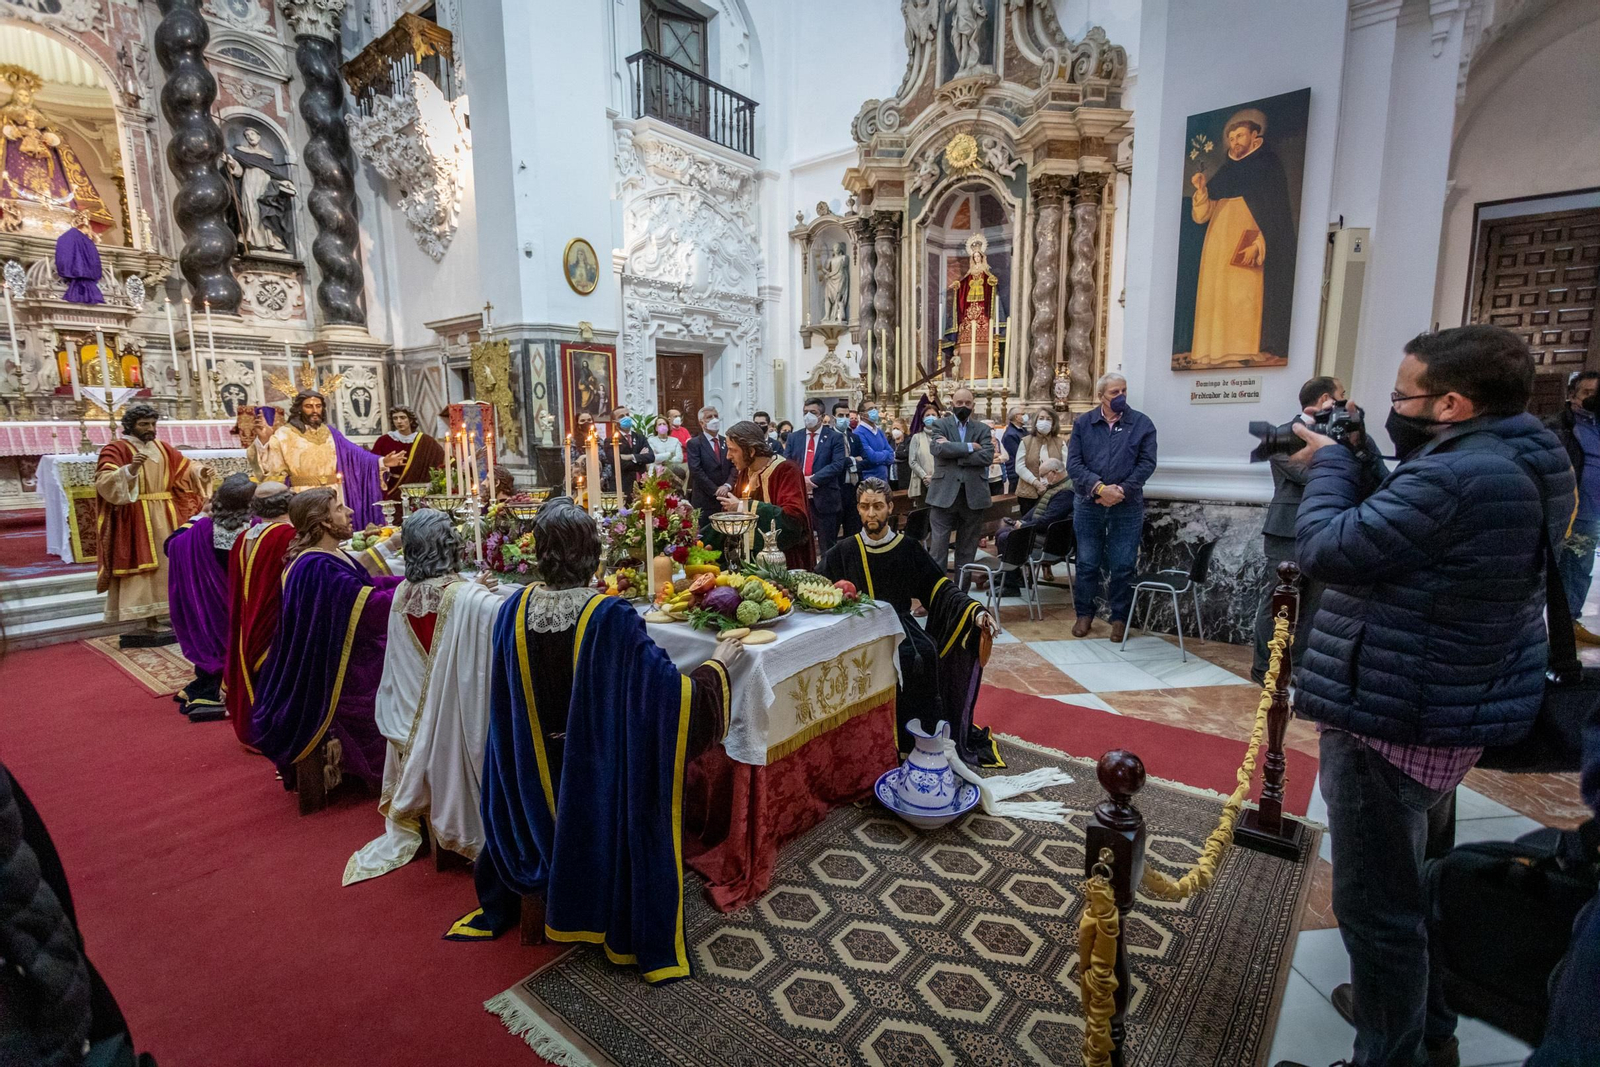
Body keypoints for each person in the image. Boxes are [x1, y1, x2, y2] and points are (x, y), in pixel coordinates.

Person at [1285, 325, 1574, 1067]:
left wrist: (1327, 468)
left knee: (1378, 909)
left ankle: (1390, 1052)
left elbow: (1327, 547)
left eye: (1400, 395)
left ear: (1450, 402)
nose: (1391, 405)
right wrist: (1368, 461)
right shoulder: (1520, 452)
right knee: (1416, 875)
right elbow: (1415, 533)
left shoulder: (1459, 476)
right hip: (1440, 695)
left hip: (1395, 710)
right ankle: (1422, 1021)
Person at [444, 500, 741, 984]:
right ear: (592, 554)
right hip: (593, 783)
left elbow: (503, 704)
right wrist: (716, 669)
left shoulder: (511, 608)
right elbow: (666, 699)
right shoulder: (609, 616)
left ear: (539, 553)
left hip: (526, 785)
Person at [345, 510, 502, 885]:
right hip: (450, 722)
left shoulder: (403, 591)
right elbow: (498, 629)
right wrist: (478, 591)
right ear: (447, 546)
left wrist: (472, 590)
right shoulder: (466, 597)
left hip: (407, 715)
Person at [819, 477, 1002, 758]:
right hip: (858, 629)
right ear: (857, 508)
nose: (871, 513)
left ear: (890, 508)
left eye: (878, 506)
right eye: (865, 506)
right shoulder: (845, 550)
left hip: (900, 624)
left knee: (922, 655)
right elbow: (814, 582)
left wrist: (975, 612)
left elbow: (939, 588)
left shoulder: (908, 548)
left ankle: (913, 744)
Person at [250, 489, 403, 790]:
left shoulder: (329, 554)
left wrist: (413, 582)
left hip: (340, 655)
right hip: (332, 674)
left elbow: (367, 585)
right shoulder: (315, 566)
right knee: (416, 672)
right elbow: (368, 609)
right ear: (321, 522)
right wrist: (418, 593)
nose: (350, 513)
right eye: (339, 508)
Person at [1250, 376, 1386, 685]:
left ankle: (1297, 666)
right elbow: (1305, 473)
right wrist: (1337, 456)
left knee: (1313, 605)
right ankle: (1263, 666)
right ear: (1326, 398)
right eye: (1341, 395)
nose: (1343, 401)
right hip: (1287, 532)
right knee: (1280, 601)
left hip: (1327, 530)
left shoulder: (1345, 436)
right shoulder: (1284, 434)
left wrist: (1353, 444)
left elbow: (1371, 474)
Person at [1177, 107, 1298, 367]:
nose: (1235, 142)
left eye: (1240, 136)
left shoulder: (1268, 167)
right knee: (1216, 296)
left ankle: (1242, 350)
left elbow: (1275, 218)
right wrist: (1200, 191)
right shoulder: (1226, 171)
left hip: (1246, 246)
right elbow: (1202, 216)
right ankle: (1213, 351)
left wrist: (1260, 243)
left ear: (1256, 137)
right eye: (1231, 138)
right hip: (1217, 248)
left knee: (1243, 298)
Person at [94, 404, 209, 628]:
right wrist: (129, 470)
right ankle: (147, 616)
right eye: (144, 424)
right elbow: (104, 481)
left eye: (153, 424)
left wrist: (200, 471)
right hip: (136, 515)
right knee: (145, 568)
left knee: (169, 563)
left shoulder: (162, 447)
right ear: (130, 425)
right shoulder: (116, 448)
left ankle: (168, 611)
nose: (150, 428)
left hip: (166, 513)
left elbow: (184, 468)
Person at [1067, 373, 1157, 640]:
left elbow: (1146, 463)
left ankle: (1120, 619)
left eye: (1124, 391)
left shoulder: (1141, 423)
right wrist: (1099, 488)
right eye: (1114, 392)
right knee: (1087, 563)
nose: (1121, 397)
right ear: (1100, 396)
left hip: (1126, 506)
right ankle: (1084, 615)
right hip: (1088, 504)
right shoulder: (1084, 423)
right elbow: (1074, 464)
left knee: (1123, 564)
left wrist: (1121, 490)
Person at [165, 473, 254, 721]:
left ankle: (209, 688)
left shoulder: (200, 528)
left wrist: (200, 516)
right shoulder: (257, 527)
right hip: (245, 602)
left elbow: (171, 546)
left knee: (214, 640)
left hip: (210, 607)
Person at [224, 480, 295, 748]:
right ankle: (274, 728)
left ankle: (257, 724)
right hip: (275, 619)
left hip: (247, 619)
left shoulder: (244, 537)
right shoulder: (288, 535)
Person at [254, 390, 384, 528]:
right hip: (303, 494)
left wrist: (380, 461)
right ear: (299, 409)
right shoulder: (284, 434)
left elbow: (355, 454)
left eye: (318, 406)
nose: (315, 410)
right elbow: (270, 466)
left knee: (336, 530)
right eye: (309, 406)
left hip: (334, 493)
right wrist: (264, 440)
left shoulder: (330, 432)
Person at [1544, 369, 1600, 645]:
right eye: (1587, 393)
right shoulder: (1558, 426)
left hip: (1591, 514)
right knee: (1548, 569)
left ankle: (1569, 623)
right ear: (1572, 395)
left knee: (1579, 569)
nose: (1592, 398)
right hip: (1561, 513)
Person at [718, 420, 815, 568]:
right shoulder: (746, 471)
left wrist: (743, 507)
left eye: (733, 450)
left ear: (751, 451)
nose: (728, 456)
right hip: (747, 559)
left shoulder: (787, 470)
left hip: (782, 561)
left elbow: (793, 520)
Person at [925, 386, 993, 592]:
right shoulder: (940, 424)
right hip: (943, 495)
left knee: (967, 551)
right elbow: (938, 448)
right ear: (952, 404)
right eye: (959, 403)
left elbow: (987, 456)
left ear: (973, 405)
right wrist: (971, 447)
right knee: (938, 551)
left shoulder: (982, 429)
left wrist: (953, 451)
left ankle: (959, 596)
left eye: (967, 403)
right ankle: (935, 596)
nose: (963, 407)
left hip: (973, 496)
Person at [996, 457, 1074, 595]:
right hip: (1044, 532)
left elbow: (1048, 520)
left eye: (1044, 475)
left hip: (1052, 540)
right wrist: (1020, 522)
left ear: (1054, 472)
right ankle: (1012, 577)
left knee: (1006, 537)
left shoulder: (1065, 492)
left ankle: (1010, 585)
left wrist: (1025, 525)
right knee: (1003, 532)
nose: (1042, 479)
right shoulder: (1056, 487)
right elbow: (1037, 510)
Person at [784, 398, 847, 554]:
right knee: (799, 543)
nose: (808, 416)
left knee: (828, 545)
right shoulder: (794, 437)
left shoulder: (834, 437)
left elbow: (837, 464)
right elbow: (787, 463)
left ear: (822, 416)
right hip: (799, 498)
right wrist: (799, 481)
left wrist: (812, 480)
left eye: (813, 412)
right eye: (805, 412)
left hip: (824, 497)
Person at [369, 405, 444, 502]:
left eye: (403, 417)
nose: (399, 421)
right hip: (394, 487)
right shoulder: (384, 440)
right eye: (395, 418)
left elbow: (442, 459)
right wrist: (385, 463)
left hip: (419, 489)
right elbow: (372, 462)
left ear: (411, 420)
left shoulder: (425, 441)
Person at [686, 404, 731, 534]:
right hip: (705, 498)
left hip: (727, 496)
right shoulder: (695, 443)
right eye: (709, 417)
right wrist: (715, 490)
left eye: (716, 416)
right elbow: (696, 470)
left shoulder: (726, 441)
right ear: (701, 422)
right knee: (705, 535)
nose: (714, 419)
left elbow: (734, 466)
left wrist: (727, 485)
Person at [1014, 407, 1065, 518]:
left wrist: (1053, 482)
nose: (1044, 421)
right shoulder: (1026, 441)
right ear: (1036, 421)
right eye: (1041, 418)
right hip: (1028, 492)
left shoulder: (1060, 442)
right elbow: (1019, 466)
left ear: (1053, 423)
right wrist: (1036, 483)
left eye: (1048, 419)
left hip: (1054, 492)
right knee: (1027, 524)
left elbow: (1065, 465)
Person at [607, 405, 654, 501]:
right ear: (614, 422)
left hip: (642, 484)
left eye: (627, 414)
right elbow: (618, 463)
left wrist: (630, 457)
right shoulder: (610, 440)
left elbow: (650, 457)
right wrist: (640, 458)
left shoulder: (640, 437)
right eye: (621, 416)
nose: (626, 418)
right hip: (623, 485)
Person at [835, 402, 866, 537]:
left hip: (854, 488)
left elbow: (865, 460)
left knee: (854, 532)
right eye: (840, 415)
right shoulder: (830, 437)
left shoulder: (854, 437)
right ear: (833, 417)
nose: (845, 418)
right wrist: (853, 460)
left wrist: (853, 463)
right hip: (837, 487)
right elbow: (836, 463)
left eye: (847, 415)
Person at [854, 400, 895, 486]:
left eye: (875, 408)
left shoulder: (879, 431)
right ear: (862, 414)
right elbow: (871, 457)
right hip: (869, 481)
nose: (874, 411)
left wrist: (882, 455)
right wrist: (885, 454)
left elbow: (891, 455)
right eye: (870, 409)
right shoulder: (858, 433)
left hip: (884, 479)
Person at [1001, 409, 1028, 495]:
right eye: (1023, 414)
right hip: (1015, 472)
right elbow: (1017, 453)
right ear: (1016, 417)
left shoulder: (1023, 430)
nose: (1025, 416)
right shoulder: (1010, 434)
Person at [890, 418, 910, 490]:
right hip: (891, 475)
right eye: (893, 428)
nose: (895, 430)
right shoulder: (890, 440)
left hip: (904, 474)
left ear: (903, 429)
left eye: (897, 428)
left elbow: (906, 453)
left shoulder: (908, 440)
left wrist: (893, 454)